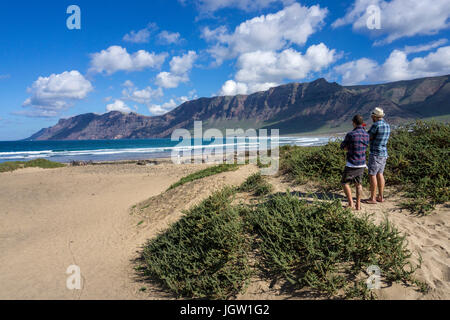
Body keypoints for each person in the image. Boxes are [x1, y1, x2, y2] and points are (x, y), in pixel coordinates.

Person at [340, 115, 370, 210]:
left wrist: (347, 148)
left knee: (344, 183)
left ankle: (350, 204)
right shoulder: (366, 134)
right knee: (358, 184)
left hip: (352, 162)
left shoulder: (351, 134)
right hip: (362, 162)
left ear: (354, 123)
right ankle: (358, 205)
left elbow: (342, 146)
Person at [364, 107, 391, 204]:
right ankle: (380, 196)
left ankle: (372, 198)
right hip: (384, 153)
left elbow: (368, 138)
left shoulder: (376, 125)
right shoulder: (387, 125)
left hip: (375, 153)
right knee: (380, 174)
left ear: (374, 116)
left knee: (372, 174)